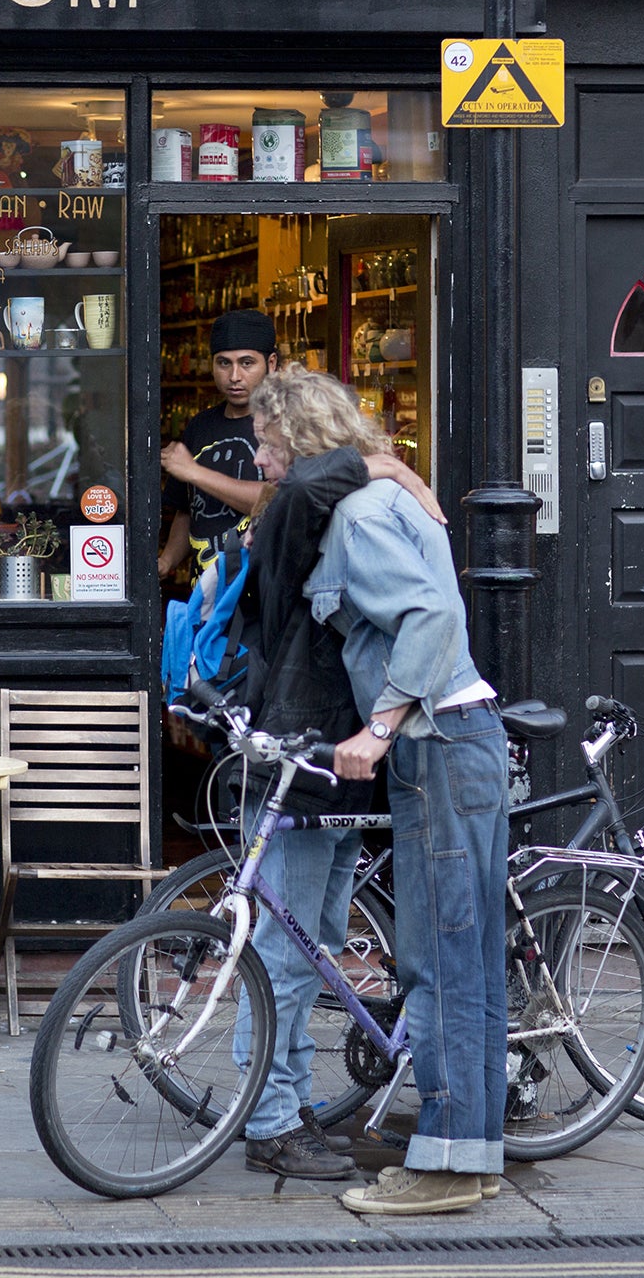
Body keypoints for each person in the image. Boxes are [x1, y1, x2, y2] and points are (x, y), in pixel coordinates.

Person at [259, 367, 509, 1216]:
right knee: (467, 962)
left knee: (437, 965)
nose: (263, 461)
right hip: (464, 736)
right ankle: (467, 1154)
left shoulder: (359, 521)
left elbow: (432, 619)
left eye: (266, 443)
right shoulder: (387, 503)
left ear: (296, 443)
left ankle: (439, 1173)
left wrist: (380, 726)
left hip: (436, 743)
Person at [225, 381, 448, 1180]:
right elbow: (322, 479)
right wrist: (389, 467)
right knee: (290, 952)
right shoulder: (294, 502)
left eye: (265, 431)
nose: (256, 451)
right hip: (304, 747)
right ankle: (272, 1121)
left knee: (314, 945)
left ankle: (285, 1106)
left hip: (337, 751)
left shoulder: (318, 499)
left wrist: (384, 470)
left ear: (300, 426)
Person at [158, 311, 279, 578]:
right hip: (205, 599)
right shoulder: (200, 426)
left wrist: (195, 472)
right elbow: (188, 511)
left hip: (259, 601)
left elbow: (280, 500)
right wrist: (166, 562)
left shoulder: (285, 425)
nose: (234, 376)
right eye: (224, 363)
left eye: (247, 363)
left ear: (271, 363)